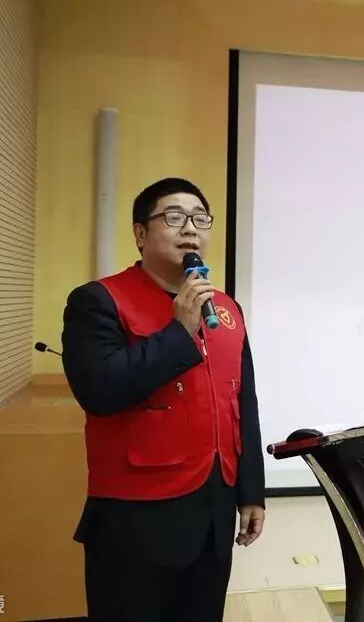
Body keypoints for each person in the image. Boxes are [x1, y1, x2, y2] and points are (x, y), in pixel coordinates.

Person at [60, 177, 265, 621]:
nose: (190, 228)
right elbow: (99, 390)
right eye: (173, 217)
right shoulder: (99, 300)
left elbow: (242, 401)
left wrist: (252, 491)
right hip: (135, 518)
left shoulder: (226, 308)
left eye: (200, 219)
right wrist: (179, 331)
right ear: (140, 233)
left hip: (213, 513)